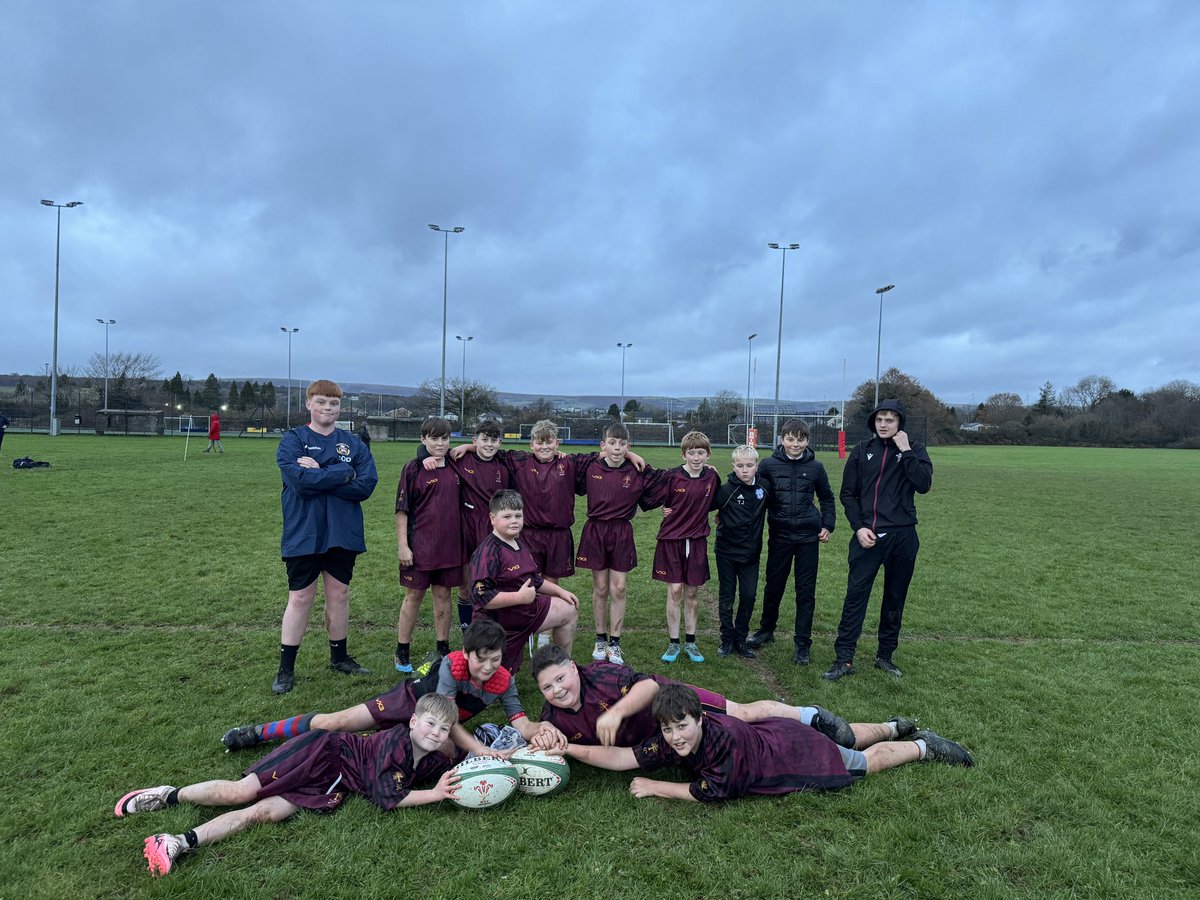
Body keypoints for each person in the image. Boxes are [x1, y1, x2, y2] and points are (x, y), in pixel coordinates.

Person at [116, 693, 465, 877]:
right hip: (320, 752)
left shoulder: (431, 756)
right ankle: (168, 795)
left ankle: (177, 841)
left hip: (331, 783)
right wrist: (434, 795)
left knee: (264, 813)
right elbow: (385, 796)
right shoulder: (396, 742)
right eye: (430, 724)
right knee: (242, 793)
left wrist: (496, 760)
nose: (435, 733)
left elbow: (458, 763)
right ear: (414, 720)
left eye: (443, 729)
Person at [562, 683, 972, 803]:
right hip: (780, 732)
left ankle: (925, 747)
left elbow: (711, 792)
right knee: (846, 738)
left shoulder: (722, 744)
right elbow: (622, 757)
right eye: (668, 730)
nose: (674, 737)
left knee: (861, 764)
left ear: (701, 718)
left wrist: (655, 786)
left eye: (682, 726)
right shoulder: (674, 737)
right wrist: (566, 748)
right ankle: (894, 724)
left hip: (795, 752)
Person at [221, 618, 565, 757]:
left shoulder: (504, 680)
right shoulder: (452, 665)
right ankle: (259, 732)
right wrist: (481, 750)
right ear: (466, 653)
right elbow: (447, 720)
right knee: (336, 723)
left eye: (496, 659)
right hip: (411, 702)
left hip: (435, 728)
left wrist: (542, 730)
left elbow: (521, 722)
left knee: (362, 748)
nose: (488, 667)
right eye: (482, 659)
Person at [528, 644, 862, 751]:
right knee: (741, 739)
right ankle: (808, 742)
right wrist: (541, 738)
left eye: (560, 678)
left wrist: (615, 713)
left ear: (573, 667)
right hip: (660, 742)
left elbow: (649, 687)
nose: (557, 690)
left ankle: (808, 715)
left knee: (741, 715)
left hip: (671, 704)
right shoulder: (553, 716)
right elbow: (534, 730)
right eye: (548, 687)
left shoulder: (599, 673)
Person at [273, 380, 378, 694]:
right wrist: (343, 472)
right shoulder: (293, 441)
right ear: (309, 404)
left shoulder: (352, 443)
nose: (328, 409)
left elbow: (367, 484)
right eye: (321, 403)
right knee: (301, 598)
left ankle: (340, 658)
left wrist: (323, 470)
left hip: (342, 533)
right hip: (304, 533)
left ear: (339, 407)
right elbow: (301, 482)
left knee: (339, 596)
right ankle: (285, 669)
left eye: (333, 404)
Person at [823, 400, 933, 681]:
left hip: (904, 536)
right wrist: (859, 528)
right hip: (868, 537)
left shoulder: (915, 450)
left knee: (895, 596)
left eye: (890, 420)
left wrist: (905, 450)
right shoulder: (862, 451)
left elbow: (923, 484)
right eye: (880, 419)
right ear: (873, 422)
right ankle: (844, 658)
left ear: (900, 424)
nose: (884, 424)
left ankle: (885, 655)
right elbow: (848, 493)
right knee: (856, 596)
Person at [746, 419, 836, 666]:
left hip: (808, 538)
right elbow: (755, 494)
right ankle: (766, 629)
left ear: (807, 441)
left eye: (800, 439)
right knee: (774, 586)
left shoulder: (816, 467)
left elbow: (827, 498)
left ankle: (802, 643)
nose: (795, 444)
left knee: (805, 592)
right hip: (780, 536)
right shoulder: (768, 465)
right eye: (790, 439)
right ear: (782, 439)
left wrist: (827, 525)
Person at [575, 421, 663, 665]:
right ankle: (600, 638)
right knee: (601, 588)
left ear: (628, 445)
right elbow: (563, 461)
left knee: (619, 588)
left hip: (622, 531)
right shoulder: (589, 466)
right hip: (596, 530)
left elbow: (669, 479)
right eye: (612, 443)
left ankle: (615, 642)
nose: (617, 448)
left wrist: (704, 470)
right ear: (603, 445)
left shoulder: (637, 469)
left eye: (622, 444)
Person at [468, 490, 579, 672]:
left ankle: (561, 667)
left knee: (569, 609)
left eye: (518, 515)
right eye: (507, 516)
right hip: (500, 624)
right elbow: (480, 597)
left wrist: (561, 592)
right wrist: (519, 598)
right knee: (495, 683)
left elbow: (535, 580)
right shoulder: (488, 552)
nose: (514, 520)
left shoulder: (519, 543)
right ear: (492, 518)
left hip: (527, 612)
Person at [644, 431, 720, 664]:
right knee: (675, 590)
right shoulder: (672, 477)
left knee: (692, 593)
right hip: (671, 540)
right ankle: (674, 643)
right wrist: (663, 507)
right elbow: (650, 496)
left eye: (700, 453)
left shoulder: (712, 477)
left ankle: (691, 642)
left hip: (696, 541)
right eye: (691, 452)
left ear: (708, 454)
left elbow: (717, 501)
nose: (696, 457)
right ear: (683, 454)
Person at [395, 417, 462, 672]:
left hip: (449, 546)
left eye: (444, 438)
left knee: (444, 595)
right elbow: (401, 511)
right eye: (434, 438)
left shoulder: (456, 465)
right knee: (414, 596)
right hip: (420, 547)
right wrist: (403, 546)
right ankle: (402, 651)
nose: (440, 443)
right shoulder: (413, 468)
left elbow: (476, 450)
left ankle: (442, 649)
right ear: (423, 439)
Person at [431, 419, 510, 632]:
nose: (489, 445)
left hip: (493, 529)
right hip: (465, 526)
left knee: (493, 582)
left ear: (500, 443)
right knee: (465, 585)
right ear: (475, 440)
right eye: (484, 440)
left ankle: (493, 627)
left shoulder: (505, 462)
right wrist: (466, 447)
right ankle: (468, 629)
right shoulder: (460, 458)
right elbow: (429, 450)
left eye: (494, 440)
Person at [712, 445, 771, 658]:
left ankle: (741, 638)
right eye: (740, 466)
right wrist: (671, 508)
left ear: (757, 466)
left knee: (748, 595)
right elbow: (700, 504)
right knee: (727, 596)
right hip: (726, 553)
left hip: (751, 555)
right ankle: (726, 639)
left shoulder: (764, 488)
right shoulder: (726, 490)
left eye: (749, 465)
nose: (744, 470)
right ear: (733, 467)